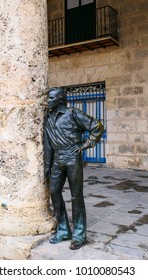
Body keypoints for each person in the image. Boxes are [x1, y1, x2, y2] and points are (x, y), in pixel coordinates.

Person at [43, 87, 104, 250]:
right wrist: (47, 165)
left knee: (76, 195)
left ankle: (79, 235)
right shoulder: (48, 118)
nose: (48, 101)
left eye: (51, 98)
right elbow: (48, 144)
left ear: (61, 99)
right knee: (54, 192)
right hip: (57, 159)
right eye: (48, 98)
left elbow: (97, 127)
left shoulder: (72, 113)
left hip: (72, 158)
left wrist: (84, 145)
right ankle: (63, 230)